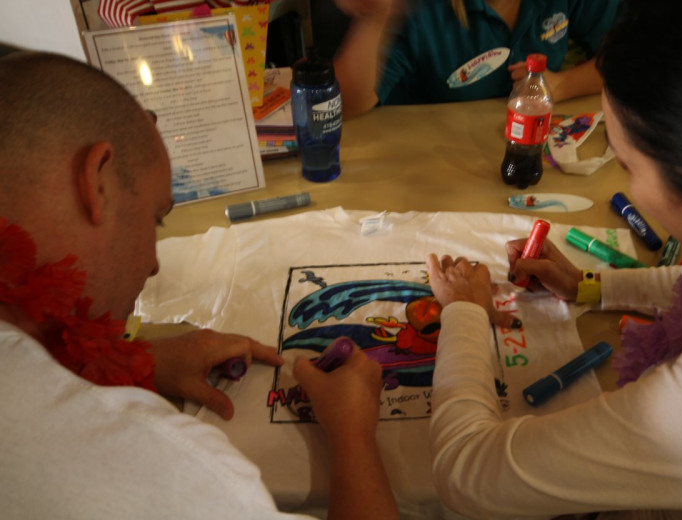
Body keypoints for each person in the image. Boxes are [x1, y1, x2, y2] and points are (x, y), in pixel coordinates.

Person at [424, 0, 682, 518]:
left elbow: (470, 477)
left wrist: (463, 311)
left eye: (625, 163)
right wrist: (586, 286)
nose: (621, 178)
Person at [0, 51, 399, 520]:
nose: (153, 265)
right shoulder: (173, 468)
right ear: (98, 182)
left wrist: (140, 361)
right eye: (157, 219)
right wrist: (352, 433)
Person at [332, 0, 619, 119]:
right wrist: (372, 20)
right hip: (428, 167)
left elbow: (627, 60)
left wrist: (562, 85)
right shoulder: (424, 9)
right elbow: (341, 106)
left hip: (524, 160)